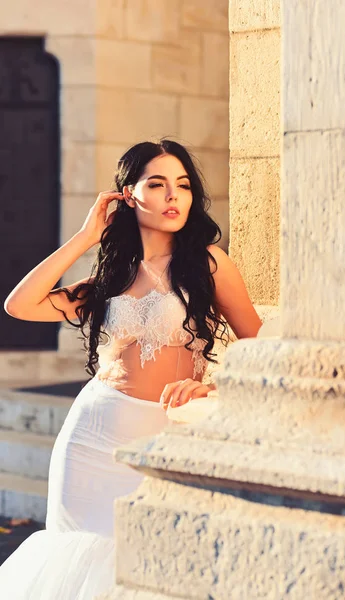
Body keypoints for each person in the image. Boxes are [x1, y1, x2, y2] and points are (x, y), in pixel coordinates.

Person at [0, 139, 262, 599]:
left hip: (165, 438)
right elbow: (19, 304)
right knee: (75, 565)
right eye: (156, 184)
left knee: (156, 567)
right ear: (128, 194)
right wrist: (86, 237)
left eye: (182, 185)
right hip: (92, 438)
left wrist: (211, 386)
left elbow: (260, 347)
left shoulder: (208, 263)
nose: (172, 196)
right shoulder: (111, 274)